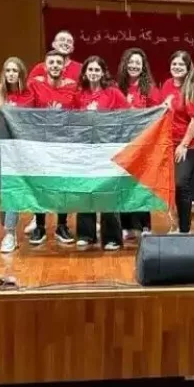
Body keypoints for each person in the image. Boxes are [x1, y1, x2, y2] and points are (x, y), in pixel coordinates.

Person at [23, 30, 80, 236]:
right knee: (42, 185)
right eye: (51, 63)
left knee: (63, 185)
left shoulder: (73, 87)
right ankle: (39, 225)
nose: (55, 66)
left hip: (65, 143)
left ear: (64, 66)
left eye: (58, 63)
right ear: (45, 66)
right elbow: (22, 105)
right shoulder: (34, 84)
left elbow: (80, 112)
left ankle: (62, 225)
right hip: (41, 143)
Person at [75, 56, 127, 250]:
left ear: (103, 72)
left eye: (97, 70)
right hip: (85, 150)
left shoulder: (113, 93)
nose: (93, 73)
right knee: (86, 191)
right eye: (90, 70)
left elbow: (127, 117)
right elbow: (71, 120)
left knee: (108, 192)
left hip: (108, 150)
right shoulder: (79, 95)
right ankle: (86, 234)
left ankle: (112, 237)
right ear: (85, 73)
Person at [151, 51, 194, 234]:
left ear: (188, 67)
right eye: (174, 64)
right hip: (168, 143)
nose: (177, 67)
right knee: (169, 186)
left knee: (182, 183)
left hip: (188, 145)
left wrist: (183, 145)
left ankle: (184, 229)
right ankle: (174, 224)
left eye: (181, 65)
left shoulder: (193, 88)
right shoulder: (166, 84)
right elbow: (162, 110)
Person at [116, 48, 157, 239]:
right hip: (123, 145)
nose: (134, 66)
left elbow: (156, 116)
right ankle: (126, 226)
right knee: (124, 186)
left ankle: (144, 225)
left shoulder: (149, 89)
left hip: (143, 145)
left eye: (138, 63)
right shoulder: (117, 88)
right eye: (131, 62)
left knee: (141, 186)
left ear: (143, 67)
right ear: (125, 64)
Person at [0, 57, 30, 253]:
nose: (11, 74)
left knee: (13, 187)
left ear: (20, 74)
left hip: (20, 146)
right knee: (3, 188)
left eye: (14, 71)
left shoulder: (27, 95)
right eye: (7, 70)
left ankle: (9, 232)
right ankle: (7, 228)